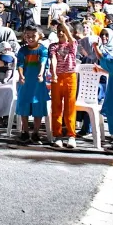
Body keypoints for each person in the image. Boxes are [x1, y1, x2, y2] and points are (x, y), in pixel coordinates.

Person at [15, 25, 50, 145]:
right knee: (24, 106)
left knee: (38, 108)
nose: (30, 38)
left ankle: (36, 132)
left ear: (40, 36)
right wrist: (21, 75)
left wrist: (40, 74)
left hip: (38, 84)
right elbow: (19, 64)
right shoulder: (22, 50)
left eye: (33, 36)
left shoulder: (43, 50)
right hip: (25, 83)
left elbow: (43, 63)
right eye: (27, 36)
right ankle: (25, 131)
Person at [49, 18, 79, 149]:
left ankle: (71, 136)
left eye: (64, 31)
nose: (61, 33)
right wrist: (54, 73)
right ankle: (57, 135)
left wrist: (64, 25)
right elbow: (53, 59)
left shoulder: (72, 45)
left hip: (70, 77)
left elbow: (71, 39)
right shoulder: (53, 46)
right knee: (56, 107)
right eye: (59, 31)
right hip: (57, 78)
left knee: (70, 107)